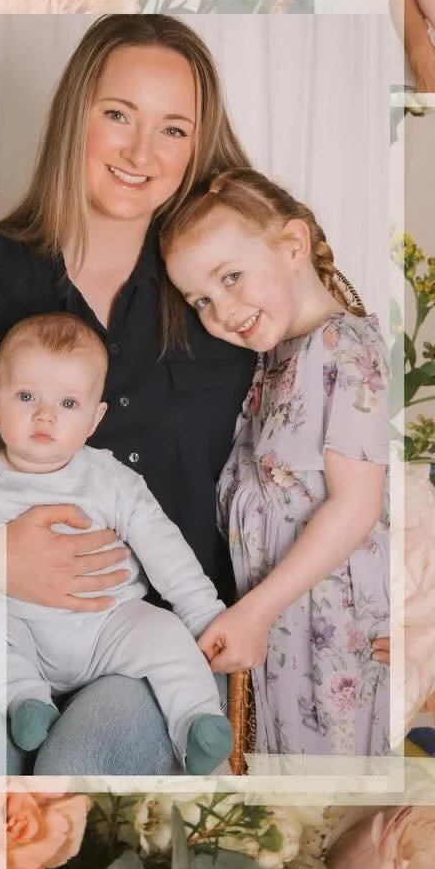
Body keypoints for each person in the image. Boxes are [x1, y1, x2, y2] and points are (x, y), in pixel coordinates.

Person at [0, 14, 256, 776]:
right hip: (2, 624)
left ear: (196, 150)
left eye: (173, 130)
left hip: (158, 645)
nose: (141, 153)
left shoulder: (231, 300)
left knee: (76, 763)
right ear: (74, 117)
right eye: (118, 115)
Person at [0, 313, 233, 775]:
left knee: (165, 638)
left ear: (94, 419)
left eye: (68, 403)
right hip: (19, 629)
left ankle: (196, 721)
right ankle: (25, 700)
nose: (45, 414)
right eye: (26, 396)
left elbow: (165, 549)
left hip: (109, 625)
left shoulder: (108, 479)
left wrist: (203, 614)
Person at [161, 169, 390, 757]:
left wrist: (254, 613)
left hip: (336, 633)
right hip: (284, 630)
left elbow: (356, 505)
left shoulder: (346, 349)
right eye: (202, 300)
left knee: (330, 796)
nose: (221, 310)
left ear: (293, 245)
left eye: (231, 277)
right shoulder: (273, 360)